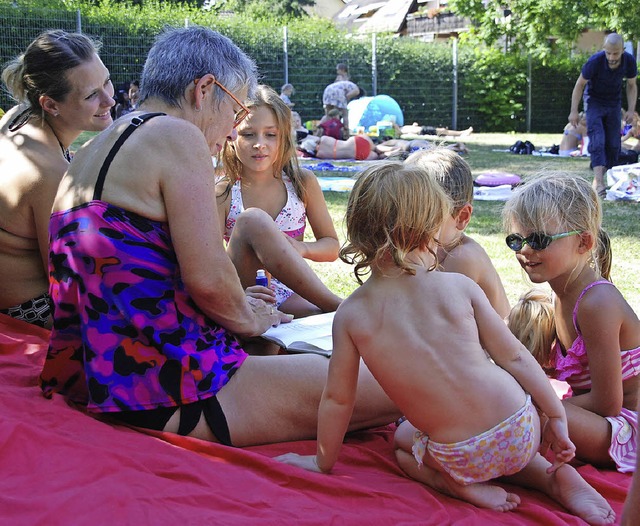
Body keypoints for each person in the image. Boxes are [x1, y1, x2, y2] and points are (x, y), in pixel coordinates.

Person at [40, 25, 400, 448]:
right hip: (166, 392)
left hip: (102, 379)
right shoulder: (176, 135)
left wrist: (242, 307)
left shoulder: (95, 147)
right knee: (402, 377)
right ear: (204, 89)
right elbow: (208, 280)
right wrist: (254, 319)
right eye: (236, 112)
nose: (233, 130)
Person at [276, 162, 614, 524]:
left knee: (404, 442)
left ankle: (456, 484)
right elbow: (515, 357)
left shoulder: (351, 315)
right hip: (522, 429)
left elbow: (339, 398)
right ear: (432, 229)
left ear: (358, 231)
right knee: (489, 418)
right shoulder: (458, 287)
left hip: (460, 455)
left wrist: (321, 460)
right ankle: (557, 476)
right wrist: (555, 415)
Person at [503, 173, 640, 472]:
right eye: (516, 240)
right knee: (510, 407)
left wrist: (541, 410)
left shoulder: (597, 302)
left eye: (538, 239)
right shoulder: (559, 296)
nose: (525, 250)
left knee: (518, 416)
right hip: (599, 421)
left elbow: (608, 404)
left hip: (626, 429)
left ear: (583, 242)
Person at [0, 29, 114, 328]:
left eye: (107, 82)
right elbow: (68, 282)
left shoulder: (18, 116)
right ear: (50, 104)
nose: (109, 100)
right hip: (27, 311)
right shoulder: (49, 175)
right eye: (92, 95)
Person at [217, 85, 342, 318]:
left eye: (270, 134)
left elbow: (331, 246)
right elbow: (212, 261)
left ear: (283, 137)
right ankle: (341, 307)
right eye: (248, 134)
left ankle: (338, 310)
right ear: (231, 136)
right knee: (252, 221)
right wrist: (239, 296)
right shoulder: (224, 192)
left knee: (318, 320)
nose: (259, 144)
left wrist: (302, 248)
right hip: (245, 291)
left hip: (292, 290)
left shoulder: (301, 182)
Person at [405, 148, 511, 318]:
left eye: (425, 216)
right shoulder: (425, 252)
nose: (410, 223)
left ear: (461, 217)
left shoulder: (462, 258)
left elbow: (431, 323)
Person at [569, 33, 637, 197]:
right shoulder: (595, 62)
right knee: (597, 139)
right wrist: (573, 111)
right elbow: (579, 85)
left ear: (622, 50)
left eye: (616, 53)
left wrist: (630, 109)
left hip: (614, 103)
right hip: (594, 102)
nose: (612, 57)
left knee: (614, 146)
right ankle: (599, 182)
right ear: (604, 50)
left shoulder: (629, 61)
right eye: (608, 53)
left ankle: (598, 177)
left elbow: (632, 85)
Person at [298, 133, 377, 161]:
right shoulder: (324, 139)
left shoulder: (320, 155)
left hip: (356, 154)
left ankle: (389, 152)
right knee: (376, 148)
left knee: (377, 155)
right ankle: (389, 147)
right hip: (355, 142)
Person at [400, 122, 473, 138]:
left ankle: (462, 132)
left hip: (422, 128)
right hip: (422, 130)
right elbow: (400, 132)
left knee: (443, 131)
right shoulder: (400, 130)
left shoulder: (402, 127)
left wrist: (413, 125)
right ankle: (462, 133)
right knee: (443, 131)